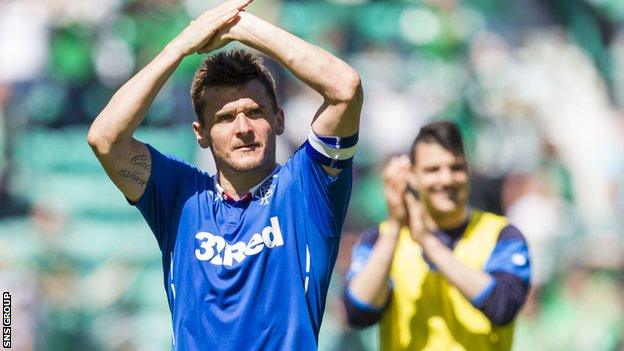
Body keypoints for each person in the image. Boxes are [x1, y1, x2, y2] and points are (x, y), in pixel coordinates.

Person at [87, 0, 363, 349]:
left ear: (278, 119)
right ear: (200, 133)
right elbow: (105, 139)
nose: (243, 128)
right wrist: (180, 46)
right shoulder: (180, 197)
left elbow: (345, 88)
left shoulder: (308, 188)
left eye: (254, 111)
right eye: (225, 118)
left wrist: (241, 28)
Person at [343, 121, 531, 350]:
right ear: (412, 175)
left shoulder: (502, 234)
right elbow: (357, 312)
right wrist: (394, 227)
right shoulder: (382, 239)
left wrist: (428, 243)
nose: (446, 179)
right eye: (433, 170)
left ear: (468, 171)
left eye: (456, 168)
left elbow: (503, 306)